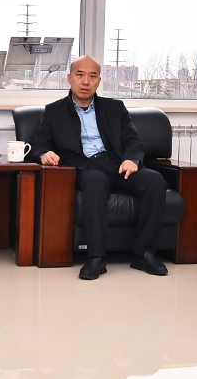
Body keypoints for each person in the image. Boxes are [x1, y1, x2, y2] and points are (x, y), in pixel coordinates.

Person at [31, 55, 170, 280]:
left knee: (154, 180)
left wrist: (132, 159)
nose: (85, 81)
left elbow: (133, 140)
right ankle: (96, 257)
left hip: (117, 164)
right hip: (86, 167)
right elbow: (39, 144)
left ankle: (144, 253)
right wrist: (44, 154)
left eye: (92, 76)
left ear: (98, 81)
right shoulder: (54, 111)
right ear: (69, 78)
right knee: (95, 181)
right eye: (80, 75)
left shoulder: (115, 108)